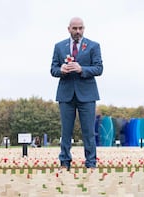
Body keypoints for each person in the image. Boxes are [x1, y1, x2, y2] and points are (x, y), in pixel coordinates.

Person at [50, 17, 103, 171]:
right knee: (65, 131)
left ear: (84, 29)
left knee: (88, 131)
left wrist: (82, 69)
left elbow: (99, 68)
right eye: (75, 28)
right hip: (66, 95)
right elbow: (53, 69)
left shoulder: (93, 46)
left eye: (80, 28)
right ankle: (64, 163)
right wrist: (61, 70)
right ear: (69, 29)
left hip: (87, 95)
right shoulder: (59, 47)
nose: (78, 31)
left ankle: (91, 163)